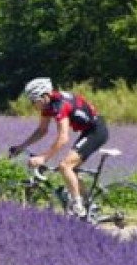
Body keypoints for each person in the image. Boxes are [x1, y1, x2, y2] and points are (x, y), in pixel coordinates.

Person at [8, 77, 109, 218]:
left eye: (33, 100)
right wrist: (21, 146)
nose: (32, 104)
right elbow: (42, 130)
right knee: (70, 169)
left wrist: (43, 157)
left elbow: (63, 138)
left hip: (96, 131)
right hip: (87, 131)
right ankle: (89, 204)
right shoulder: (47, 105)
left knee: (65, 166)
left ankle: (78, 207)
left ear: (44, 96)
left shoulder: (60, 105)